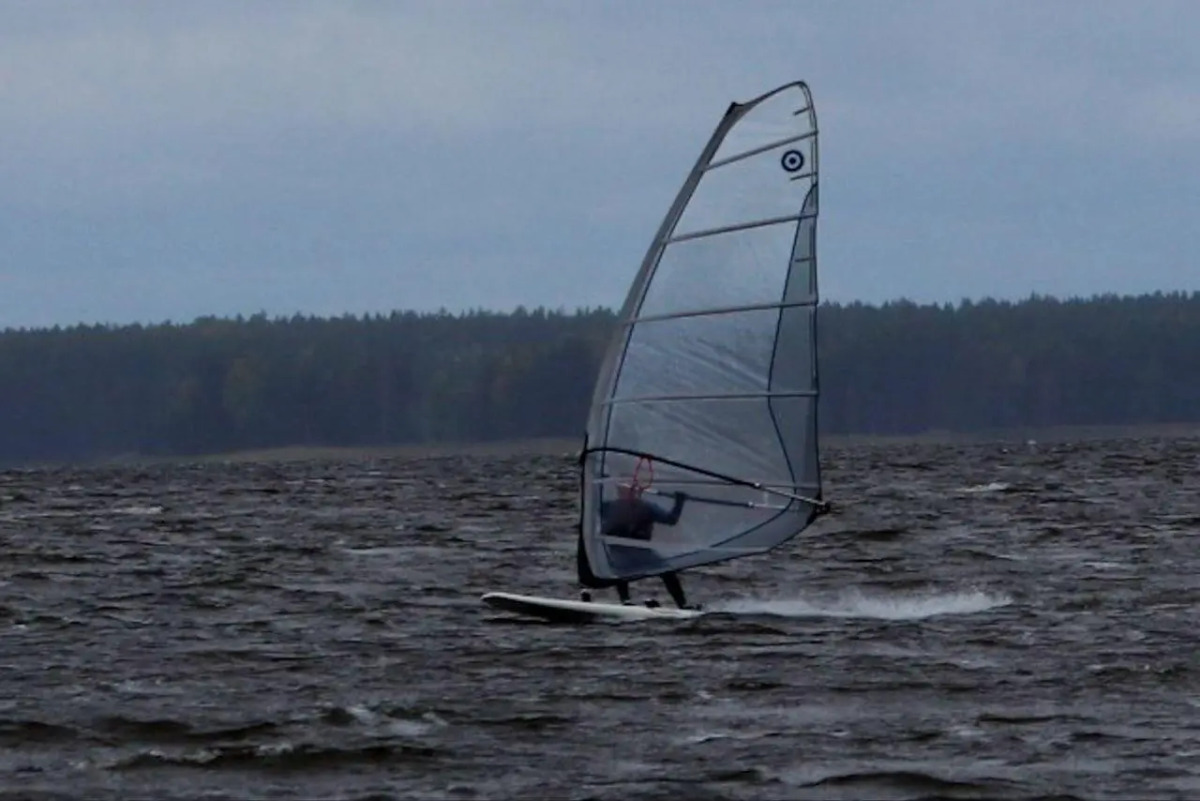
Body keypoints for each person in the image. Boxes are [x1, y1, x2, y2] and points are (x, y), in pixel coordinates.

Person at [576, 482, 697, 609]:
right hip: (619, 551)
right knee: (619, 568)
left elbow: (671, 520)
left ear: (636, 492)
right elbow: (591, 508)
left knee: (667, 571)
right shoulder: (608, 506)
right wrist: (591, 490)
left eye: (628, 491)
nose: (624, 494)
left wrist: (679, 502)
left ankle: (682, 604)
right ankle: (625, 600)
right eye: (621, 491)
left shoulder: (647, 507)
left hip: (641, 551)